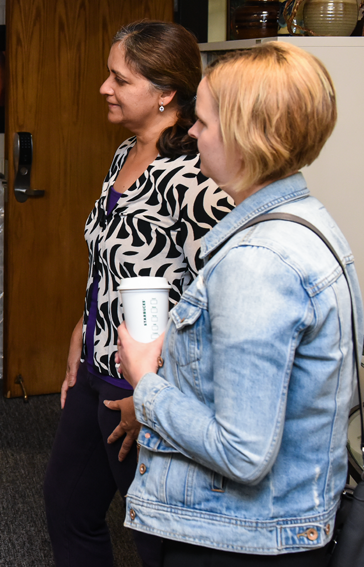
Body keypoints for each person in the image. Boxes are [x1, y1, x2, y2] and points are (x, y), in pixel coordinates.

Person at [116, 42, 362, 566]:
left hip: (241, 542)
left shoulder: (258, 262)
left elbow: (242, 452)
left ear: (245, 139)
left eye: (202, 122)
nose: (194, 133)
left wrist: (145, 382)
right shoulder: (310, 222)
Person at [43, 21, 233, 567]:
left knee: (159, 543)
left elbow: (214, 303)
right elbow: (110, 260)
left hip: (143, 392)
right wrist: (83, 328)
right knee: (68, 507)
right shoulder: (126, 152)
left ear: (166, 94)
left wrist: (151, 395)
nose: (105, 87)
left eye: (119, 79)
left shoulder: (194, 176)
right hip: (96, 372)